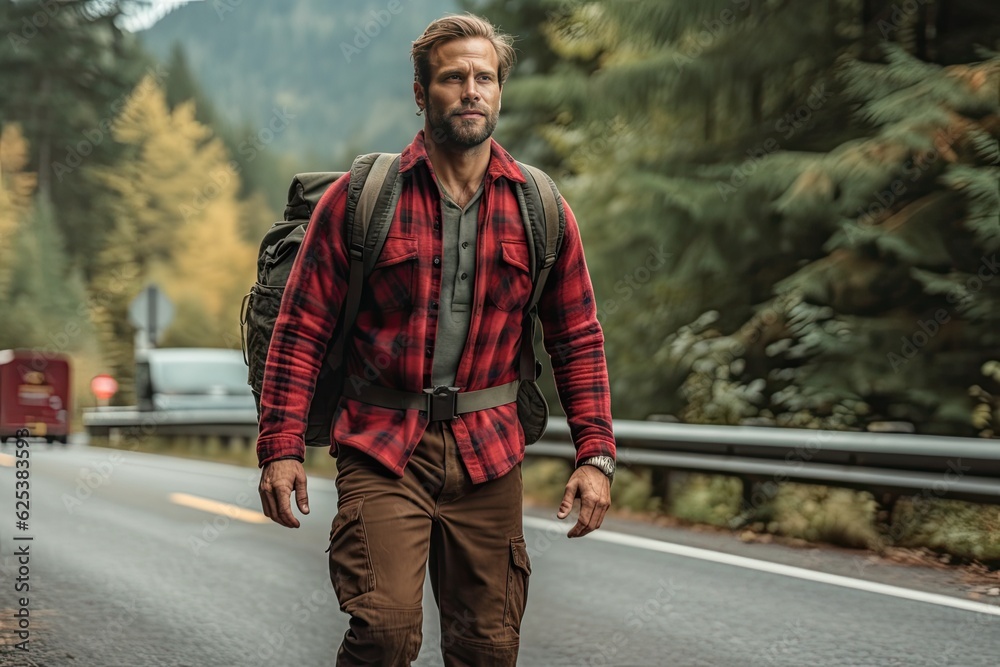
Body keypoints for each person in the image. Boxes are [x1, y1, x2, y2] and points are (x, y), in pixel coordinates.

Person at [255, 13, 616, 666]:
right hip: (382, 444)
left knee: (488, 646)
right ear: (422, 93)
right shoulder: (362, 197)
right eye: (454, 77)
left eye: (485, 77)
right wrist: (280, 447)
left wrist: (596, 453)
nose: (471, 90)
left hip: (491, 452)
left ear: (500, 90)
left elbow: (578, 336)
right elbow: (299, 328)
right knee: (385, 630)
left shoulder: (539, 205)